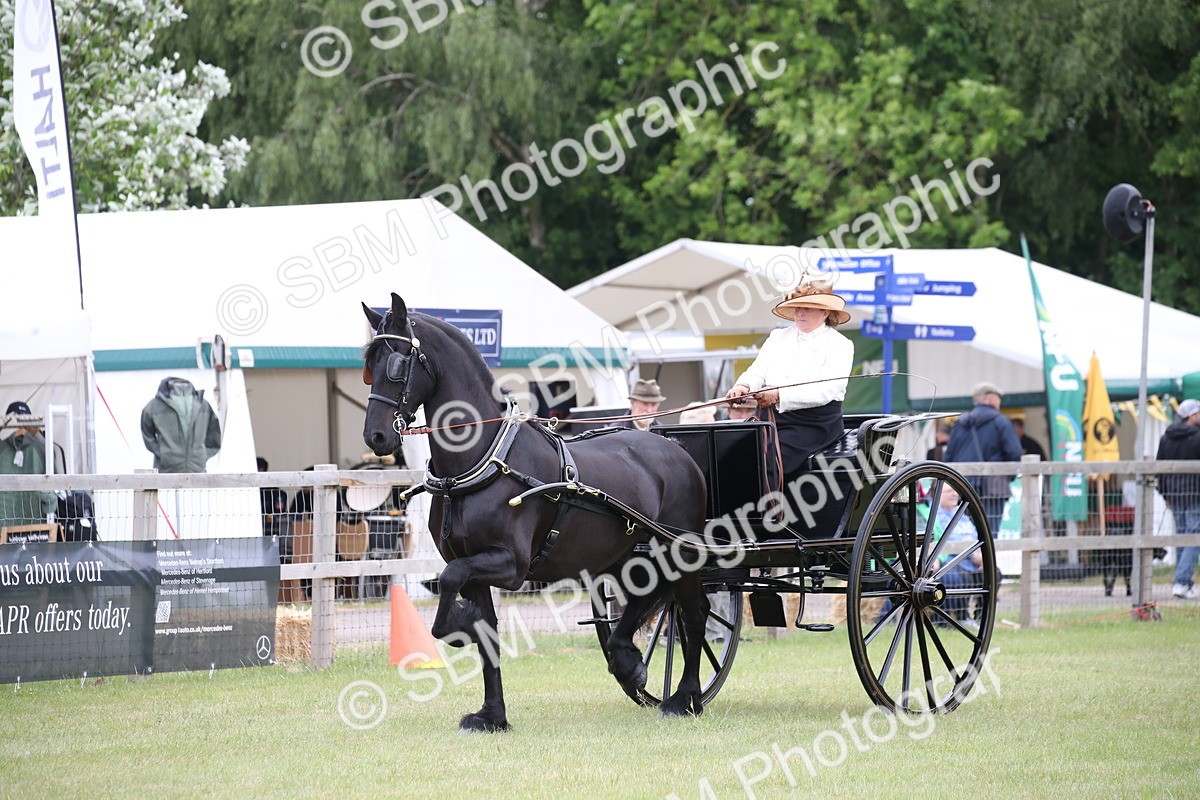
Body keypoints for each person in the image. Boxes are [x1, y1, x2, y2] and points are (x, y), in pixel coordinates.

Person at [724, 279, 854, 482]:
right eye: (797, 307)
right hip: (769, 419)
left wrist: (779, 395)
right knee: (731, 455)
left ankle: (766, 503)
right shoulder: (777, 337)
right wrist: (743, 386)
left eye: (807, 308)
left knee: (767, 462)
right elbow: (757, 371)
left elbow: (826, 390)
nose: (800, 312)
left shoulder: (840, 345)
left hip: (814, 424)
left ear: (825, 312)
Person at [944, 382, 1022, 536]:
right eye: (998, 397)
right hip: (993, 488)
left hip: (963, 486)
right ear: (990, 398)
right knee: (989, 534)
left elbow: (949, 456)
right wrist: (1007, 476)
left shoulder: (960, 423)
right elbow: (1014, 453)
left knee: (966, 533)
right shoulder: (1001, 422)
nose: (999, 401)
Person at [1157, 398, 1200, 600]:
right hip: (1195, 493)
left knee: (1182, 537)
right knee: (1193, 537)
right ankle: (1181, 581)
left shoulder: (1166, 438)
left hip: (1174, 495)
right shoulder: (1197, 437)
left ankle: (1185, 583)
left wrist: (1165, 493)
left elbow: (1159, 467)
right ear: (1191, 416)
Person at [140, 377, 222, 473]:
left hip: (196, 470)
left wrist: (201, 455)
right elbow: (147, 433)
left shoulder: (203, 405)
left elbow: (214, 437)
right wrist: (164, 453)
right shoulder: (155, 406)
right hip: (167, 471)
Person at [0, 402, 57, 532]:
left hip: (5, 527)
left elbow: (53, 490)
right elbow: (53, 492)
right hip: (36, 528)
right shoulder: (43, 448)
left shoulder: (43, 449)